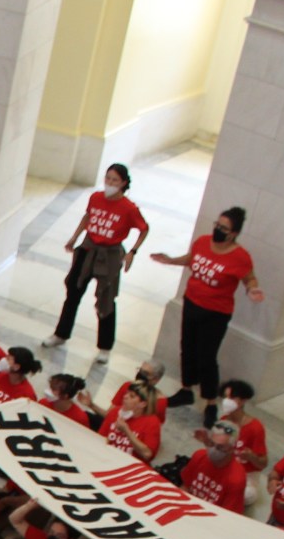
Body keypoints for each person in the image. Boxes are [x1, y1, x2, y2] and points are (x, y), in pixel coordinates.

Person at [152, 205, 265, 425]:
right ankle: (186, 389)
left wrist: (252, 289)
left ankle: (210, 401)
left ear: (233, 234)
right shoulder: (203, 242)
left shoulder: (240, 257)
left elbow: (249, 278)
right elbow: (191, 258)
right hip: (192, 302)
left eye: (224, 228)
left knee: (207, 357)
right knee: (188, 348)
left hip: (216, 313)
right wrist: (170, 260)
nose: (218, 230)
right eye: (217, 225)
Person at [45, 164, 148, 362]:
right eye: (107, 178)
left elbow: (144, 229)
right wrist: (75, 237)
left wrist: (133, 252)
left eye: (114, 180)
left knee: (106, 299)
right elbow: (88, 216)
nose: (109, 183)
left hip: (109, 254)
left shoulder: (129, 208)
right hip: (88, 248)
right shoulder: (96, 198)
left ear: (124, 183)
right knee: (73, 291)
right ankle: (61, 334)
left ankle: (105, 347)